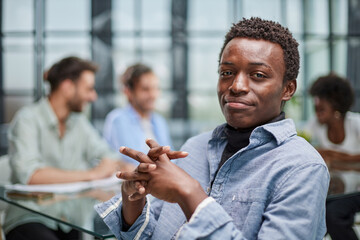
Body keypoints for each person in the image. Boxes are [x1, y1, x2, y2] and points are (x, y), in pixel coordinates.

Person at [95, 17, 329, 239]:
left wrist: (190, 193)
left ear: (288, 89)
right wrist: (133, 201)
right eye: (227, 72)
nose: (236, 86)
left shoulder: (302, 168)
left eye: (258, 75)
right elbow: (148, 234)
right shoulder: (194, 147)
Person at [5, 56, 133, 240]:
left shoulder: (78, 122)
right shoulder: (27, 119)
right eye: (88, 89)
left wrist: (122, 165)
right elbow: (31, 176)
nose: (93, 96)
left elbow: (106, 153)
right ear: (67, 87)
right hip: (30, 217)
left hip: (70, 221)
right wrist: (92, 174)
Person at [304, 73, 360, 240]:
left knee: (333, 215)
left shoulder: (355, 123)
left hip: (356, 190)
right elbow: (306, 151)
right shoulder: (315, 124)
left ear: (336, 105)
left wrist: (329, 154)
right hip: (332, 190)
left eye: (321, 106)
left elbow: (321, 155)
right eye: (315, 103)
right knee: (314, 212)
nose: (316, 106)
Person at [103, 63, 173, 165]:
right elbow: (133, 162)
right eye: (145, 89)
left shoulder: (159, 121)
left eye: (155, 88)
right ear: (128, 92)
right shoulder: (118, 120)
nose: (153, 95)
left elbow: (171, 157)